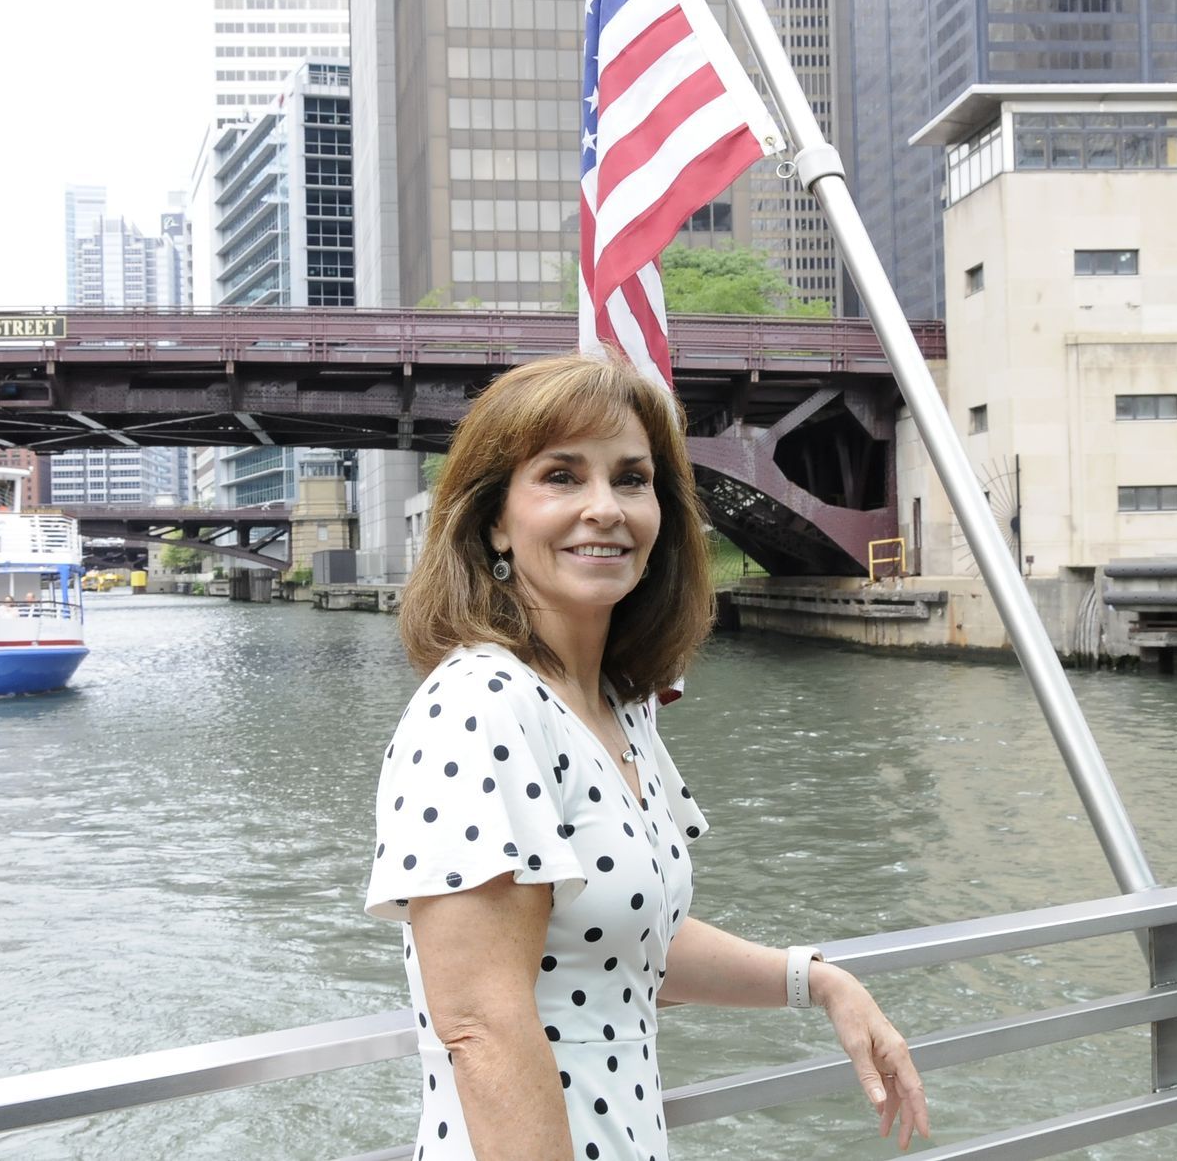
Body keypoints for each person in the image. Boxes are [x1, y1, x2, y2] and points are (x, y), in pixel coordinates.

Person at [366, 354, 929, 1160]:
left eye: (631, 479)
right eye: (562, 476)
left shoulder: (616, 707)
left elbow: (628, 938)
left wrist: (815, 979)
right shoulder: (481, 704)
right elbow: (480, 1025)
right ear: (495, 519)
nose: (605, 508)